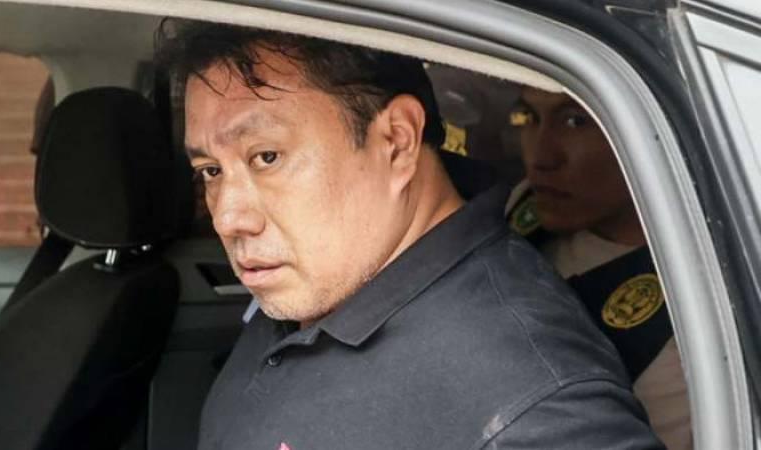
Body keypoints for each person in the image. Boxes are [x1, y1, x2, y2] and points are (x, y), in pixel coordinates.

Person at [157, 22, 664, 450]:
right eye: (211, 170)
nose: (228, 218)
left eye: (266, 157)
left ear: (397, 142)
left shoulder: (537, 410)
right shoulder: (326, 273)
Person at [507, 87, 691, 450]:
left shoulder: (687, 322)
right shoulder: (527, 204)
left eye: (576, 121)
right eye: (529, 118)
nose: (541, 157)